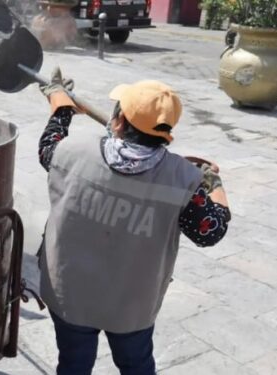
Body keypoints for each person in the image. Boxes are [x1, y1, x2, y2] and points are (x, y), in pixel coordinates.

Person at [36, 68, 231, 375]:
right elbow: (212, 230)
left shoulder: (71, 152)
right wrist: (213, 182)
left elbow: (48, 144)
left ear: (118, 121)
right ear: (166, 134)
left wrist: (60, 105)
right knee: (136, 366)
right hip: (131, 306)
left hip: (70, 295)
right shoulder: (183, 180)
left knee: (73, 365)